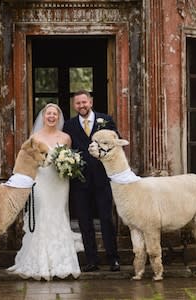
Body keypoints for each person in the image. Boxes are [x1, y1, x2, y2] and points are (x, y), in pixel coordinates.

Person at [7, 103, 83, 281]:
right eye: (48, 114)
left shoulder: (65, 138)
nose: (51, 117)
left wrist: (69, 164)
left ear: (58, 117)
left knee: (59, 215)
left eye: (54, 114)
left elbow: (70, 158)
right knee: (43, 215)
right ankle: (40, 263)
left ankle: (63, 263)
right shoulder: (35, 137)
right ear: (43, 116)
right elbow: (27, 160)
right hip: (41, 181)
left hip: (59, 182)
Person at [63, 90, 120, 272]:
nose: (82, 106)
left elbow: (115, 144)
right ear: (74, 105)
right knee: (84, 221)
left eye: (84, 102)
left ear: (91, 102)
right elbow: (66, 150)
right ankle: (92, 260)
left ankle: (113, 259)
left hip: (103, 178)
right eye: (78, 103)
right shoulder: (69, 126)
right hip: (80, 182)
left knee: (106, 219)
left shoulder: (106, 120)